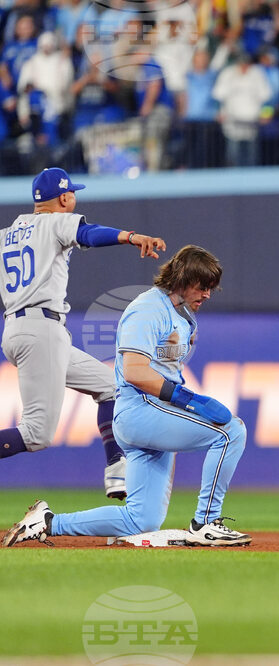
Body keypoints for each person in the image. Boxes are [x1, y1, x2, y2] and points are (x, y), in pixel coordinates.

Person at [3, 246, 252, 548]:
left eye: (211, 287)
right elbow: (135, 371)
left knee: (141, 520)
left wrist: (180, 397)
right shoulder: (148, 309)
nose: (208, 294)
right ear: (183, 279)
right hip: (140, 409)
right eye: (203, 286)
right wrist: (189, 400)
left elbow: (164, 364)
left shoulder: (182, 315)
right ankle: (205, 523)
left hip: (154, 412)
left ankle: (47, 522)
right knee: (230, 432)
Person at [0, 168, 165, 499]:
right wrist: (132, 237)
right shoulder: (53, 222)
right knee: (36, 435)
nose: (75, 198)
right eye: (72, 193)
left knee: (114, 388)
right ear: (63, 197)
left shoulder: (7, 233)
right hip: (40, 331)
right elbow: (89, 234)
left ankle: (117, 471)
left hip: (20, 328)